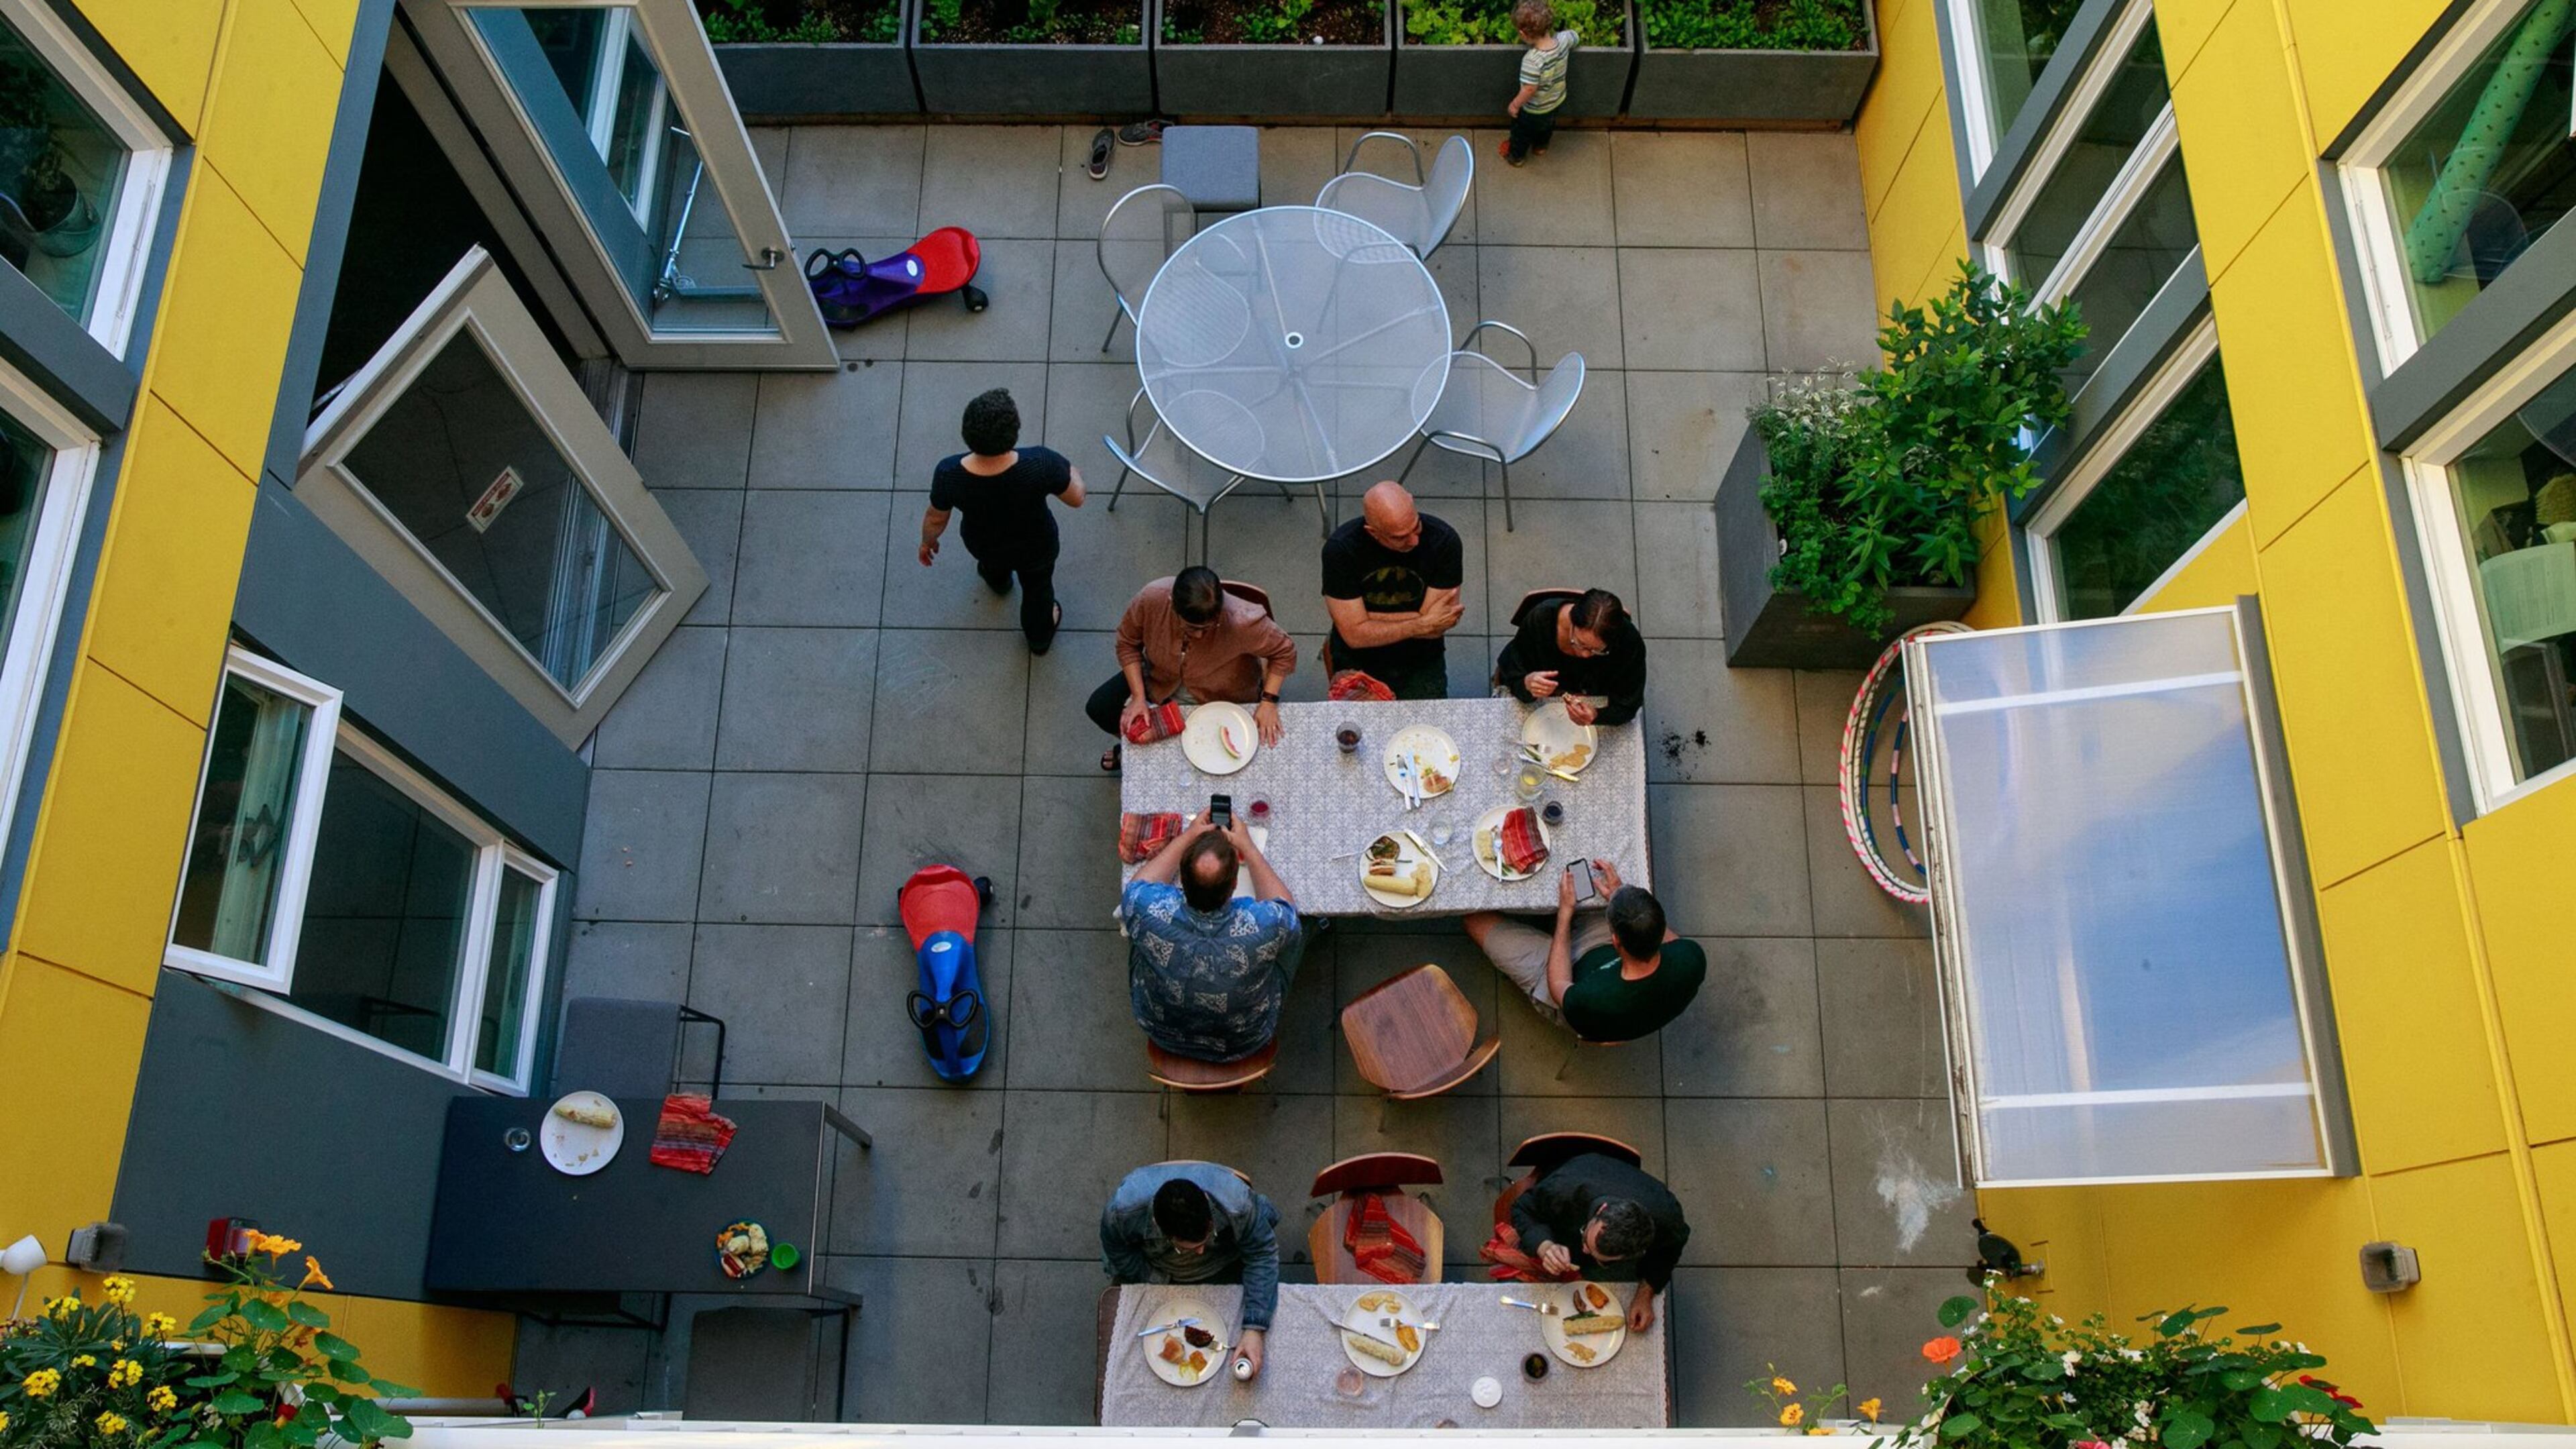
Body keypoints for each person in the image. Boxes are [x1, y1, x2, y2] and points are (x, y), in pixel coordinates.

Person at [1121, 807, 1303, 1063]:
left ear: (1181, 882)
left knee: (1135, 929)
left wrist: (1188, 836)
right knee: (1297, 934)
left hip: (1161, 1030)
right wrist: (1248, 848)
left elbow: (1135, 890)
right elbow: (1287, 912)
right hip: (1244, 1039)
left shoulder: (1147, 908)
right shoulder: (1264, 925)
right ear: (1234, 886)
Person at [917, 388, 1084, 653]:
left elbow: (936, 518)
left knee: (993, 565)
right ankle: (1039, 638)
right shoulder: (1040, 463)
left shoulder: (948, 472)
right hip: (1036, 547)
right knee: (1037, 589)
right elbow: (1076, 498)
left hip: (984, 543)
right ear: (1014, 432)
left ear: (967, 433)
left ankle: (999, 583)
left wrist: (928, 542)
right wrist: (1072, 472)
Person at [1464, 859, 1703, 1041]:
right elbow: (1666, 936)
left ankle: (1557, 923)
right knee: (1585, 874)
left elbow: (1559, 984)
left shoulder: (1591, 1001)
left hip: (1565, 981)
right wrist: (1622, 898)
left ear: (1616, 941)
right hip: (1602, 951)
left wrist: (1565, 914)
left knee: (1473, 917)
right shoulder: (1691, 957)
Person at [1089, 567, 1298, 771]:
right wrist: (1138, 697)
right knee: (1099, 707)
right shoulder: (1150, 599)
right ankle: (1131, 749)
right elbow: (1127, 643)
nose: (1199, 636)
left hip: (1223, 693)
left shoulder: (1243, 619)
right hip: (1159, 679)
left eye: (1208, 628)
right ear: (1172, 604)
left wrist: (1269, 701)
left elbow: (1285, 651)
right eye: (1191, 628)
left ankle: (1142, 752)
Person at [1101, 1161, 1282, 1379]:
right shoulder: (1122, 1212)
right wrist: (1158, 1280)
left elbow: (1262, 1255)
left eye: (1207, 1238)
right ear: (1160, 1227)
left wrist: (1255, 1328)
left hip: (1224, 1259)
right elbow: (1118, 1252)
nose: (1201, 1252)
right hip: (1160, 1268)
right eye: (1189, 1248)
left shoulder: (1237, 1204)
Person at [1510, 1150, 1690, 1331]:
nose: (1584, 1250)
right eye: (1586, 1236)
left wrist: (1646, 1293)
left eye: (1602, 1259)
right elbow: (1522, 1209)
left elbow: (1669, 1251)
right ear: (1602, 1209)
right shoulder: (1562, 1188)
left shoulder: (1668, 1218)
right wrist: (1544, 1246)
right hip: (1568, 1197)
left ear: (1637, 1253)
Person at [1320, 481, 1466, 700]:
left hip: (1421, 660)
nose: (1414, 540)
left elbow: (1438, 627)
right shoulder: (1341, 550)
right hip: (1357, 659)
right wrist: (1421, 623)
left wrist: (1365, 621)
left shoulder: (1444, 541)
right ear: (1373, 533)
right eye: (1400, 537)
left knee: (1426, 718)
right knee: (1357, 719)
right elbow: (1354, 637)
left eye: (1416, 526)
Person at [1496, 586, 1646, 727]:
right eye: (1580, 643)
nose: (1585, 655)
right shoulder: (1541, 620)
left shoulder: (1629, 642)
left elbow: (1629, 703)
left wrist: (1597, 715)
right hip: (1538, 702)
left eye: (1597, 650)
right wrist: (1527, 683)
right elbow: (1513, 671)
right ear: (1571, 621)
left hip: (1591, 695)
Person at [1501, 0, 1577, 168]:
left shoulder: (1532, 61)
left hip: (1534, 109)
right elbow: (1575, 37)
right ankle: (1540, 147)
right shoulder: (1563, 40)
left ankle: (1516, 157)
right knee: (1547, 127)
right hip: (1556, 100)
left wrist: (1515, 105)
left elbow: (1529, 89)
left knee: (1521, 133)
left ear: (1522, 33)